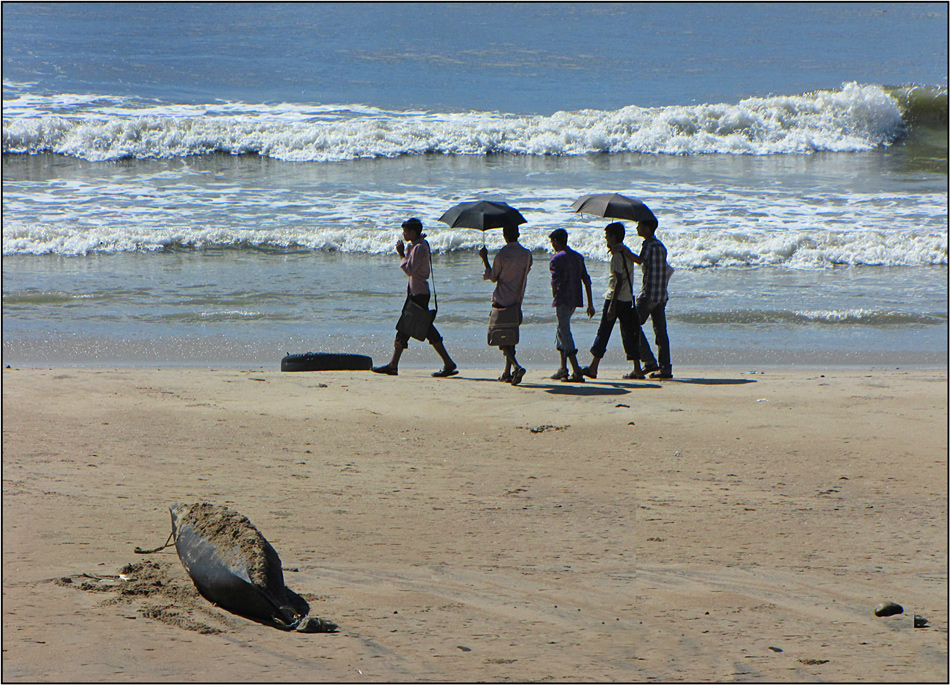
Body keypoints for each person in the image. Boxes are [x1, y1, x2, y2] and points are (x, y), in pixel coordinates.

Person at [373, 218, 458, 377]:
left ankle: (394, 365)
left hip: (418, 294)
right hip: (417, 292)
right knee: (419, 329)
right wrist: (408, 249)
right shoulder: (418, 245)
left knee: (410, 328)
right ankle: (447, 363)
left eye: (406, 231)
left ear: (413, 232)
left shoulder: (419, 248)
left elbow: (410, 269)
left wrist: (401, 255)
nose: (404, 234)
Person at [580, 222, 650, 380]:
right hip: (626, 299)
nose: (606, 239)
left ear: (614, 237)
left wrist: (611, 305)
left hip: (615, 298)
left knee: (604, 332)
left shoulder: (617, 256)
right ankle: (637, 369)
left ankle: (593, 367)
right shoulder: (626, 252)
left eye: (607, 235)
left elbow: (617, 281)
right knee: (629, 334)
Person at [479, 224, 532, 385]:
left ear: (504, 235)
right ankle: (507, 372)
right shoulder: (527, 254)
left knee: (498, 336)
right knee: (509, 337)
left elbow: (493, 277)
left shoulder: (502, 254)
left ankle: (516, 366)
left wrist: (484, 259)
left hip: (502, 299)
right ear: (518, 234)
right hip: (517, 299)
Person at [626, 218, 673, 379]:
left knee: (632, 325)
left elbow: (640, 261)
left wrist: (625, 251)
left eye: (639, 225)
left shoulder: (648, 245)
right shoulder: (661, 245)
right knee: (661, 332)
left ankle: (648, 361)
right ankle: (665, 368)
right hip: (661, 295)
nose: (637, 228)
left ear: (647, 228)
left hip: (649, 294)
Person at [548, 228, 595, 382]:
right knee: (561, 330)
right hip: (575, 300)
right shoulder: (578, 257)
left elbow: (555, 282)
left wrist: (555, 294)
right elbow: (586, 280)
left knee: (565, 332)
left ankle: (576, 370)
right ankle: (563, 368)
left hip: (562, 299)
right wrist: (590, 303)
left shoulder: (556, 259)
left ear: (556, 241)